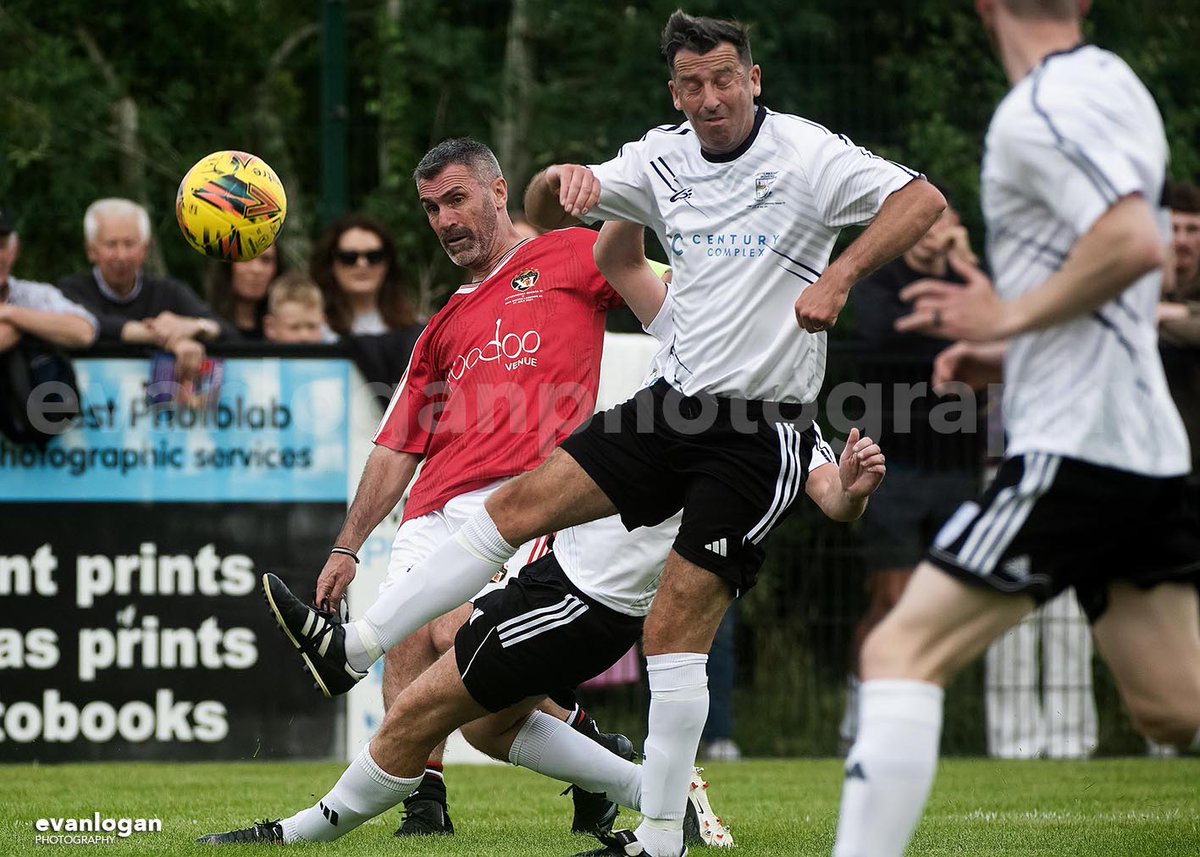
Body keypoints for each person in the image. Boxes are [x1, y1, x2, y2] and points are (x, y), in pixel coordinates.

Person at [263, 11, 943, 857]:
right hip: (669, 415)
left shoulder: (805, 156)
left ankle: (656, 829)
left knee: (632, 643)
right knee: (508, 531)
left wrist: (842, 276)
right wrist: (567, 183)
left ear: (754, 78)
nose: (709, 97)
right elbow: (573, 215)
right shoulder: (658, 184)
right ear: (674, 92)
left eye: (724, 77)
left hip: (729, 457)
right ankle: (355, 652)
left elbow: (923, 198)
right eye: (691, 84)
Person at [199, 217, 889, 848]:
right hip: (562, 568)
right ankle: (652, 792)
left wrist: (852, 491)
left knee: (425, 704)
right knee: (488, 723)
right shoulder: (689, 349)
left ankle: (298, 826)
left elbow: (831, 498)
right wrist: (626, 188)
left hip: (584, 596)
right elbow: (626, 264)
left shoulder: (787, 429)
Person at [830, 2, 1200, 855]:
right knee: (1175, 707)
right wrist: (1012, 352)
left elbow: (1136, 241)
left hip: (1077, 450)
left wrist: (1006, 316)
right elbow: (1111, 285)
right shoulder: (1119, 85)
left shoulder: (1033, 112)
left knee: (897, 653)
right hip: (1141, 446)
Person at [841, 200, 985, 750]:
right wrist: (954, 332)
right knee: (891, 601)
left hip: (959, 470)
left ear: (954, 232)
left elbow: (1001, 333)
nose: (931, 234)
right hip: (893, 468)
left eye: (941, 224)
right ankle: (858, 723)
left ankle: (916, 723)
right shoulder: (882, 279)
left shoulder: (970, 279)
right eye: (922, 224)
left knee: (951, 608)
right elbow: (885, 335)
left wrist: (966, 265)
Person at [55, 198, 227, 383]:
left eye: (129, 244)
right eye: (111, 244)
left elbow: (225, 330)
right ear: (91, 250)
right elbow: (96, 325)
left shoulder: (170, 291)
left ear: (145, 249)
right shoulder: (70, 291)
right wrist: (169, 339)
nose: (121, 256)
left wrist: (194, 326)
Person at [0, 207, 97, 353]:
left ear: (15, 250)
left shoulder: (32, 294)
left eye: (1, 246)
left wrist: (10, 314)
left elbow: (84, 332)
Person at [310, 214, 417, 336]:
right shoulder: (310, 327)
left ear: (387, 263)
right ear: (331, 264)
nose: (362, 264)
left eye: (374, 256)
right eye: (349, 257)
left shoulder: (419, 330)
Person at [205, 243, 281, 340]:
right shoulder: (202, 325)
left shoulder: (289, 332)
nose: (256, 269)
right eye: (245, 258)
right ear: (226, 266)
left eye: (266, 260)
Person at [262, 272, 328, 345]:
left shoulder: (336, 355)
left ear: (323, 322)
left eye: (312, 326)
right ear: (270, 327)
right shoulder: (257, 356)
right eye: (294, 327)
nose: (304, 336)